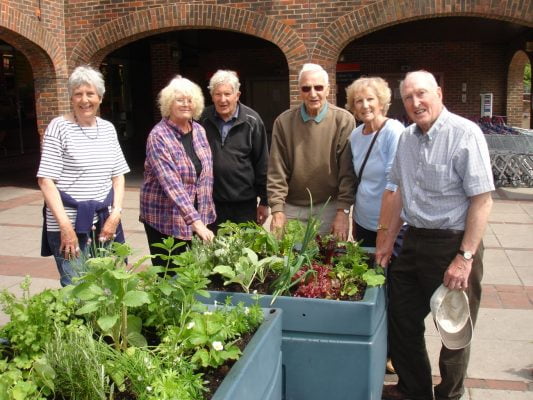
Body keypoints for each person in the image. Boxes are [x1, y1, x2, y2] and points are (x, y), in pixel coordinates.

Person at [377, 70, 494, 400]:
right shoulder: (407, 138)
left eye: (422, 94)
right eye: (409, 96)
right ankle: (414, 389)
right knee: (401, 317)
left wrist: (465, 257)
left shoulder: (464, 133)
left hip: (453, 243)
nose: (416, 102)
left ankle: (448, 395)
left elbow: (482, 200)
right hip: (414, 241)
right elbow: (398, 192)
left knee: (454, 329)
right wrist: (387, 240)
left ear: (439, 93)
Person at [37, 65, 130, 286]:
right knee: (77, 289)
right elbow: (46, 180)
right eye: (78, 94)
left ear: (100, 97)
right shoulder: (58, 127)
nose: (84, 100)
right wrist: (65, 227)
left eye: (90, 93)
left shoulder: (107, 129)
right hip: (69, 222)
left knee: (107, 286)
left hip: (104, 221)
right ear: (71, 96)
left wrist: (115, 214)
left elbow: (118, 176)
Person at [268, 63, 355, 239]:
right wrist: (277, 210)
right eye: (306, 88)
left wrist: (343, 211)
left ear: (328, 89)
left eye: (318, 87)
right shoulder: (283, 122)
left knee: (328, 263)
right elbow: (277, 171)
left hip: (329, 207)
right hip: (293, 207)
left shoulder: (343, 120)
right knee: (289, 263)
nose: (313, 93)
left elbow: (348, 172)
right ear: (299, 91)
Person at [140, 75, 215, 267]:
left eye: (190, 100)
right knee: (171, 279)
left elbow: (206, 176)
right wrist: (196, 222)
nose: (185, 104)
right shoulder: (158, 136)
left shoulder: (198, 130)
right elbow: (171, 184)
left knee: (197, 275)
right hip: (165, 220)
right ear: (168, 104)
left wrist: (204, 216)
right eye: (179, 100)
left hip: (198, 215)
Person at [199, 70, 269, 233]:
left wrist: (265, 201)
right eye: (218, 94)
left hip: (245, 204)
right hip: (212, 203)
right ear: (211, 95)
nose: (222, 99)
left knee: (245, 254)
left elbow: (262, 163)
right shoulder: (202, 119)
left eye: (227, 94)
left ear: (237, 95)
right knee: (215, 254)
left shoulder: (252, 120)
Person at [345, 76, 404, 248]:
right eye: (358, 101)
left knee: (388, 274)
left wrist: (383, 230)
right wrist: (355, 220)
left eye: (370, 99)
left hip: (389, 226)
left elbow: (393, 187)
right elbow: (359, 181)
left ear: (381, 102)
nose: (365, 105)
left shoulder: (393, 131)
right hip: (362, 222)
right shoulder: (355, 136)